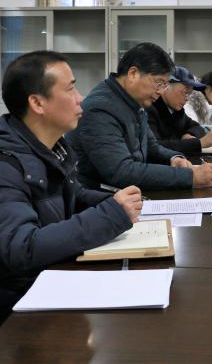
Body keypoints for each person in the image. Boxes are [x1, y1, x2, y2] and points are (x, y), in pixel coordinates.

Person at [0, 51, 142, 320]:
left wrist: (114, 204)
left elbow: (72, 197)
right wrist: (111, 215)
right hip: (19, 312)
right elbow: (22, 247)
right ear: (37, 103)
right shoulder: (6, 164)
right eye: (70, 89)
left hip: (52, 282)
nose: (80, 98)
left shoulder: (52, 147)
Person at [66, 43, 212, 191]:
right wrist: (190, 177)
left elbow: (151, 147)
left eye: (165, 85)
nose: (161, 91)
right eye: (159, 83)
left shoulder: (133, 102)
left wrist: (174, 158)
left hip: (126, 194)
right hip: (99, 198)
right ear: (133, 74)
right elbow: (121, 172)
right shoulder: (100, 109)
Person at [147, 66, 212, 154]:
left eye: (189, 94)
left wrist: (188, 135)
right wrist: (198, 143)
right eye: (185, 92)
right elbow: (155, 146)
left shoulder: (178, 112)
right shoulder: (150, 109)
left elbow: (197, 127)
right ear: (166, 86)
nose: (187, 99)